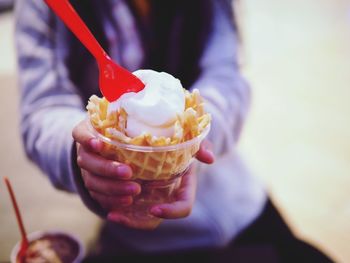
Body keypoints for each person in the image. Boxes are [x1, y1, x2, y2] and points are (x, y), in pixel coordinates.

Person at [15, 0, 333, 262]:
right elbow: (43, 109)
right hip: (137, 230)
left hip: (235, 200)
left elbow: (227, 76)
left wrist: (198, 139)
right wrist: (80, 154)